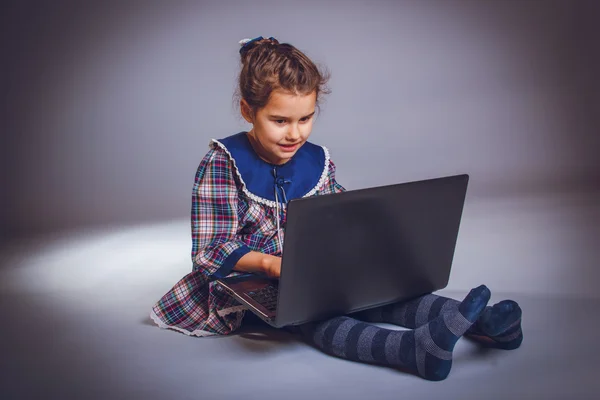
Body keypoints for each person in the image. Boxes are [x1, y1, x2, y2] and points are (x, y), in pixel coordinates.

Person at [150, 36, 523, 381]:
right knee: (316, 315)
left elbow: (333, 214)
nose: (294, 134)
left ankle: (483, 324)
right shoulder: (222, 162)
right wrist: (271, 263)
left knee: (379, 294)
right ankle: (413, 351)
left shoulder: (316, 160)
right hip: (249, 280)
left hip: (311, 272)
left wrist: (374, 235)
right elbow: (210, 249)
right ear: (249, 111)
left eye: (305, 118)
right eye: (279, 121)